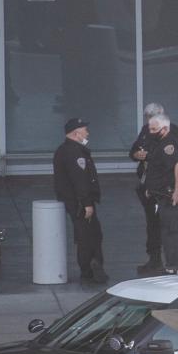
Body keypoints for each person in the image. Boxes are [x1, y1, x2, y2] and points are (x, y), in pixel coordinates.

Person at [129, 102, 178, 274]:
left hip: (165, 188)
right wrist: (137, 155)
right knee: (152, 224)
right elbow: (133, 150)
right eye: (147, 119)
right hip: (149, 185)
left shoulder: (174, 132)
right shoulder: (147, 130)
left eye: (152, 119)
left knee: (169, 226)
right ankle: (154, 259)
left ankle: (173, 264)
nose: (149, 124)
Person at [52, 117, 106, 283]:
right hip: (79, 203)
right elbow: (79, 180)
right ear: (76, 133)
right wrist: (86, 203)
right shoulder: (74, 152)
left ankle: (90, 266)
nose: (87, 133)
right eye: (84, 130)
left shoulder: (66, 150)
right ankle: (89, 268)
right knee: (88, 235)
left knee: (90, 233)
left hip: (76, 201)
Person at [143, 112, 178, 272]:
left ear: (164, 129)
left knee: (173, 233)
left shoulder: (168, 145)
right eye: (150, 128)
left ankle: (174, 268)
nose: (151, 132)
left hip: (171, 197)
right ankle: (176, 266)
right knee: (170, 231)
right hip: (162, 194)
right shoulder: (160, 141)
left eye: (154, 129)